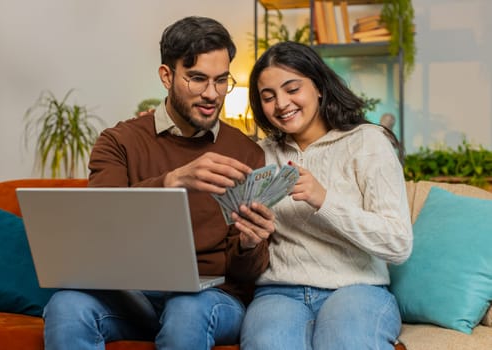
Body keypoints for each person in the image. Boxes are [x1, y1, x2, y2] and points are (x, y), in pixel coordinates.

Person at [43, 16, 275, 350]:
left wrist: (252, 244)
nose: (212, 94)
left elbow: (246, 273)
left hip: (210, 299)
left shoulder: (246, 152)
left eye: (222, 80)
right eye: (197, 79)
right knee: (66, 306)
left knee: (186, 309)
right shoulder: (118, 141)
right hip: (132, 296)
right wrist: (171, 181)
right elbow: (101, 221)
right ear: (167, 76)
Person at [240, 41, 413, 350]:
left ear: (318, 86)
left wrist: (325, 200)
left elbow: (398, 244)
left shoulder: (368, 142)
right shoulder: (260, 155)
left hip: (357, 289)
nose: (281, 104)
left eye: (292, 89)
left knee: (346, 342)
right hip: (279, 292)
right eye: (268, 97)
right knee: (269, 343)